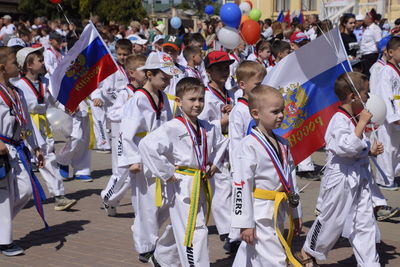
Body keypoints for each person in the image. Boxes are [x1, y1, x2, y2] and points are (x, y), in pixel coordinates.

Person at [139, 77, 227, 267]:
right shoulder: (172, 127)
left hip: (201, 181)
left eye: (201, 99)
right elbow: (146, 146)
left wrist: (215, 163)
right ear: (178, 101)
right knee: (194, 230)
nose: (197, 104)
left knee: (183, 225)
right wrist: (166, 171)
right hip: (181, 182)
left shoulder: (207, 127)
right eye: (192, 99)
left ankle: (162, 257)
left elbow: (222, 144)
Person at [298, 72, 382, 267]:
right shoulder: (339, 119)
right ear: (353, 97)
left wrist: (369, 150)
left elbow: (357, 146)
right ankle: (309, 250)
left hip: (359, 177)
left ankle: (370, 263)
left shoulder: (353, 118)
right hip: (340, 178)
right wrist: (362, 123)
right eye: (365, 93)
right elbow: (345, 147)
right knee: (332, 220)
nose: (368, 98)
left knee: (364, 223)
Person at [118, 51, 181, 264]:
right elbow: (127, 133)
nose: (167, 82)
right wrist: (132, 159)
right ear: (150, 74)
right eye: (164, 78)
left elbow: (169, 128)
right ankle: (146, 246)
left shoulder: (163, 98)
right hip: (142, 160)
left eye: (169, 78)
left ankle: (144, 231)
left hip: (160, 157)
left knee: (164, 202)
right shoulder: (137, 99)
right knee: (146, 205)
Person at [231, 85, 302, 267]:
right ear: (256, 114)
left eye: (282, 110)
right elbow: (241, 185)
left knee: (250, 255)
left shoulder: (283, 143)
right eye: (275, 111)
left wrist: (296, 213)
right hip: (259, 211)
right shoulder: (248, 145)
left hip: (278, 207)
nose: (281, 115)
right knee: (276, 259)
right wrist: (244, 222)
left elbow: (290, 181)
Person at [13, 47, 77, 211]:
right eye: (39, 60)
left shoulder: (44, 82)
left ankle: (59, 195)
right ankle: (17, 195)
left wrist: (66, 107)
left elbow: (53, 100)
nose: (43, 63)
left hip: (43, 124)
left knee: (48, 158)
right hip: (27, 125)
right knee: (23, 162)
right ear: (28, 65)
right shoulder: (18, 85)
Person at [0, 46, 45, 256]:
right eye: (14, 63)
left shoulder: (17, 92)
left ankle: (1, 230)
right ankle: (4, 241)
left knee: (25, 190)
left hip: (16, 148)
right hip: (1, 148)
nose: (18, 66)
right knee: (4, 195)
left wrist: (35, 147)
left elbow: (26, 122)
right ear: (2, 67)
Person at [198, 51, 236, 251]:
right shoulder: (205, 95)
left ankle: (234, 229)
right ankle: (229, 234)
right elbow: (202, 124)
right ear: (209, 71)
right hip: (216, 149)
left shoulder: (230, 92)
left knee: (232, 187)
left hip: (233, 145)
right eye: (219, 68)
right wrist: (223, 121)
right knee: (221, 190)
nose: (224, 71)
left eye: (227, 67)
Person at [101, 54, 147, 216]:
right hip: (122, 138)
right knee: (122, 173)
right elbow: (112, 114)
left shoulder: (145, 92)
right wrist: (129, 105)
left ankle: (113, 201)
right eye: (143, 70)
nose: (147, 73)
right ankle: (108, 197)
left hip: (139, 139)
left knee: (133, 174)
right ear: (132, 73)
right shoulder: (124, 93)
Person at [90, 39, 131, 153]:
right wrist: (122, 99)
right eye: (120, 54)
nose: (122, 57)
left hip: (125, 102)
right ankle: (104, 143)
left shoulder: (131, 67)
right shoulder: (112, 68)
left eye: (125, 54)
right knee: (98, 112)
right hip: (109, 102)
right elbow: (108, 91)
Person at [375, 36, 400, 190]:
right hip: (388, 118)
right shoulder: (386, 71)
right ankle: (384, 180)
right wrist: (393, 117)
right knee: (387, 148)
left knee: (396, 148)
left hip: (397, 111)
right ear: (390, 52)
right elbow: (385, 94)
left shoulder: (397, 70)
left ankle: (395, 175)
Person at [360, 9, 382, 77]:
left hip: (371, 56)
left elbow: (378, 43)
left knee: (368, 75)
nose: (364, 19)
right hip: (365, 55)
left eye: (366, 17)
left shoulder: (375, 28)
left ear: (370, 19)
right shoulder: (368, 28)